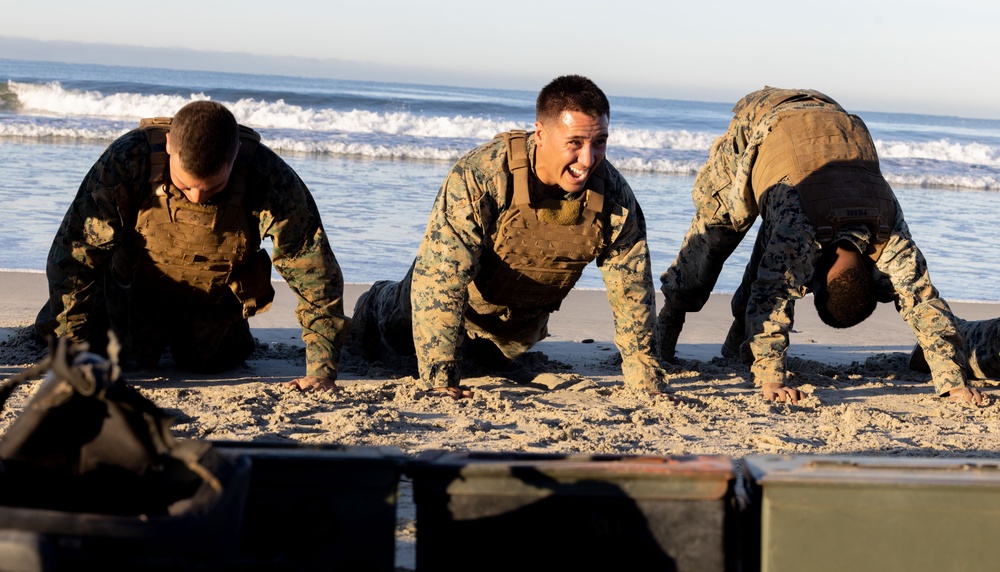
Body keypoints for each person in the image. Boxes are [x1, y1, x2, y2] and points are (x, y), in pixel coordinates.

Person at [656, 86, 985, 406]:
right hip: (763, 121)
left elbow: (921, 301)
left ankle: (736, 349)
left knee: (778, 246)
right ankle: (663, 337)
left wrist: (952, 383)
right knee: (715, 234)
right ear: (815, 277)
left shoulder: (889, 232)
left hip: (828, 120)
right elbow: (772, 295)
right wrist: (772, 378)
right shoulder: (804, 231)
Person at [349, 74, 667, 399]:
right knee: (399, 335)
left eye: (599, 142)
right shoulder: (483, 176)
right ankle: (374, 299)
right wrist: (440, 379)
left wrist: (648, 385)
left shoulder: (611, 195)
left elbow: (633, 292)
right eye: (574, 143)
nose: (588, 159)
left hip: (514, 328)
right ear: (541, 134)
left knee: (491, 361)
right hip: (440, 303)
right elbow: (441, 280)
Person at [35, 100, 350, 392]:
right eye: (185, 185)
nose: (198, 197)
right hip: (128, 294)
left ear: (236, 154)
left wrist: (321, 372)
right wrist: (71, 356)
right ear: (169, 144)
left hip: (211, 301)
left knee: (209, 363)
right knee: (94, 350)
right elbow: (73, 259)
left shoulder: (268, 178)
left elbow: (315, 273)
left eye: (214, 187)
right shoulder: (129, 161)